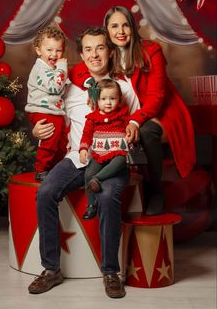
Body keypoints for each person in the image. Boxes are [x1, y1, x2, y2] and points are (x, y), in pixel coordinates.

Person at [28, 26, 140, 299]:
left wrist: (133, 130)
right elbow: (45, 111)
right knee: (45, 193)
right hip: (77, 159)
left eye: (100, 47)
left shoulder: (123, 87)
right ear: (80, 54)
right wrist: (36, 130)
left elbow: (138, 123)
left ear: (110, 51)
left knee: (108, 194)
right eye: (88, 49)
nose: (94, 54)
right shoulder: (68, 88)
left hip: (111, 162)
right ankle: (51, 268)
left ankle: (110, 272)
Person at [70, 6, 196, 216]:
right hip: (131, 113)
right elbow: (78, 70)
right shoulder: (107, 54)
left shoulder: (151, 50)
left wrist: (135, 121)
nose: (121, 31)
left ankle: (156, 191)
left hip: (161, 111)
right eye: (114, 26)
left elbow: (156, 97)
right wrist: (92, 86)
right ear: (107, 31)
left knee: (146, 132)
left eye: (125, 25)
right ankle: (128, 182)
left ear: (133, 27)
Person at [79, 78, 130, 220]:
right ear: (97, 101)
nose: (108, 102)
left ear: (119, 99)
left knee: (121, 161)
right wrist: (83, 149)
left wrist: (130, 136)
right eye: (103, 99)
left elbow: (129, 129)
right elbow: (86, 135)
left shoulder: (122, 115)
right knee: (88, 173)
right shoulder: (92, 118)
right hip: (99, 154)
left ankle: (98, 179)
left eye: (112, 98)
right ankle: (91, 205)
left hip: (117, 152)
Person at [25, 25, 69, 181]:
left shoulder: (53, 69)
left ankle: (57, 167)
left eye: (58, 50)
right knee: (50, 138)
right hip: (42, 110)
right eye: (49, 50)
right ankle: (41, 169)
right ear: (39, 50)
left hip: (54, 111)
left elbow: (63, 83)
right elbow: (56, 87)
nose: (54, 54)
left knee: (62, 141)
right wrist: (63, 68)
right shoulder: (41, 68)